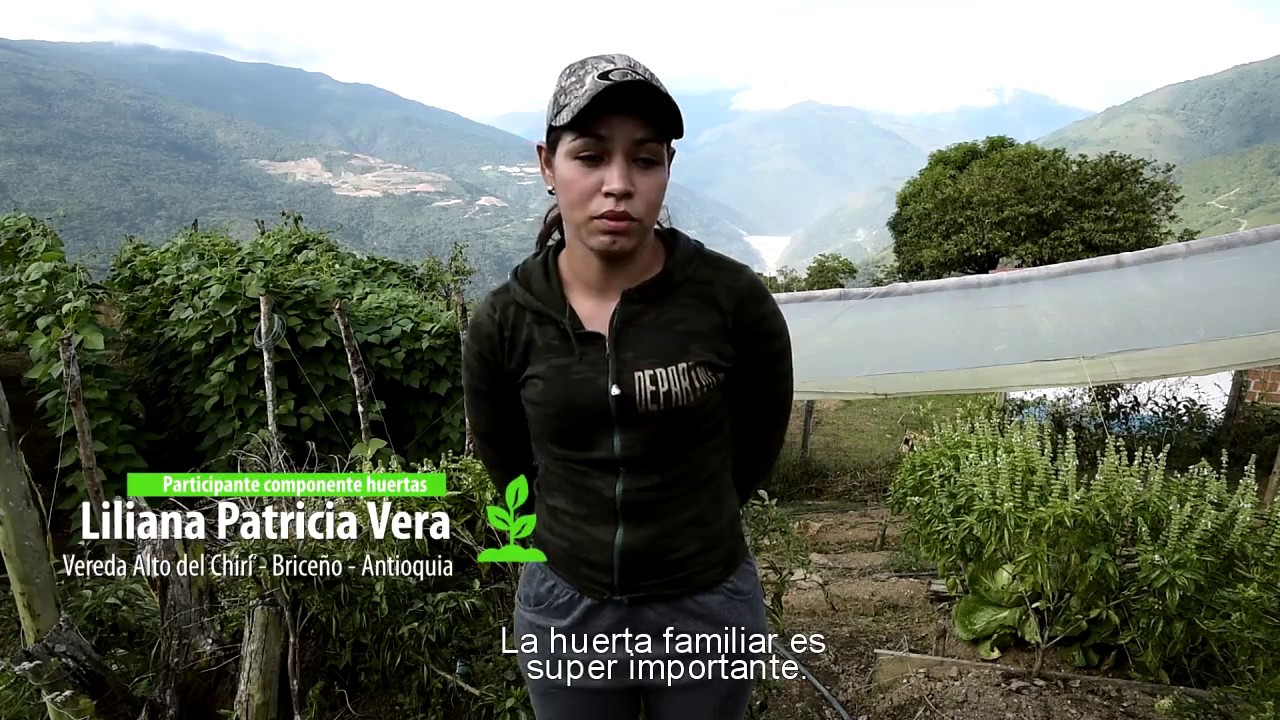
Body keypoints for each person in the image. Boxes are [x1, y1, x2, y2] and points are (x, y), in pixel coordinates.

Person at [461, 53, 795, 720]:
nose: (618, 185)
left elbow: (758, 441)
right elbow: (507, 463)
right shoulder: (505, 320)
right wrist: (573, 538)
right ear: (547, 164)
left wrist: (692, 527)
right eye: (590, 157)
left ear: (667, 166)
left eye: (645, 160)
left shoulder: (732, 301)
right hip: (567, 606)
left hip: (706, 604)